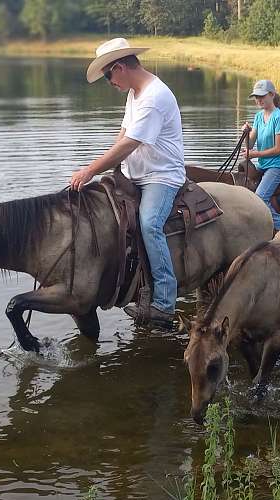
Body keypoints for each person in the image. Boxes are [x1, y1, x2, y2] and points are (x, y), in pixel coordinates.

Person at [70, 37, 186, 325]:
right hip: (134, 172)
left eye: (108, 75)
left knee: (149, 223)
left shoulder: (154, 97)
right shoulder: (134, 93)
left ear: (120, 67)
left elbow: (129, 144)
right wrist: (113, 170)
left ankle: (164, 303)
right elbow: (122, 135)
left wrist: (90, 170)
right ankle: (134, 284)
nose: (109, 82)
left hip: (161, 175)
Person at [242, 79, 280, 232]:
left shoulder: (279, 117)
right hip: (263, 165)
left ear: (272, 95)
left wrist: (255, 154)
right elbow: (250, 146)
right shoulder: (258, 117)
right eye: (256, 97)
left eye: (262, 96)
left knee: (260, 198)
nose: (258, 100)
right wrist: (245, 134)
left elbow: (278, 149)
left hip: (277, 165)